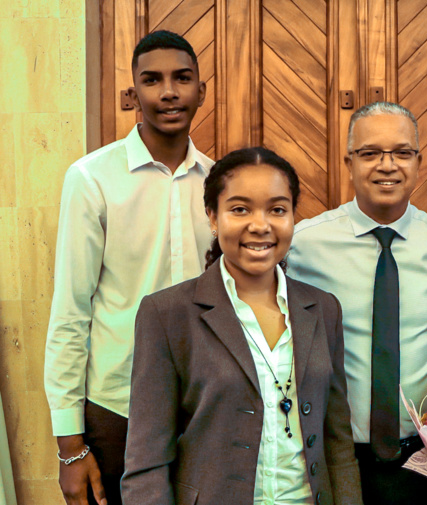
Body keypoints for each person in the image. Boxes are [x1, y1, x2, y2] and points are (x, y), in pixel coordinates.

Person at [121, 147, 362, 505]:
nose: (260, 225)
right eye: (240, 209)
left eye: (277, 210)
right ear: (213, 218)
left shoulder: (323, 309)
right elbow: (147, 462)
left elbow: (338, 443)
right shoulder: (167, 314)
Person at [44, 30, 212, 505]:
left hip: (204, 404)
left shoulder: (221, 184)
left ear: (201, 90)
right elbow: (71, 312)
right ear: (132, 93)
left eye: (182, 78)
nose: (169, 91)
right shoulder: (92, 179)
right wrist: (70, 447)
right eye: (151, 80)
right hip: (118, 409)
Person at [286, 101, 427, 504]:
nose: (387, 165)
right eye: (370, 153)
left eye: (401, 153)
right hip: (334, 454)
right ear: (350, 162)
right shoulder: (304, 245)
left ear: (418, 161)